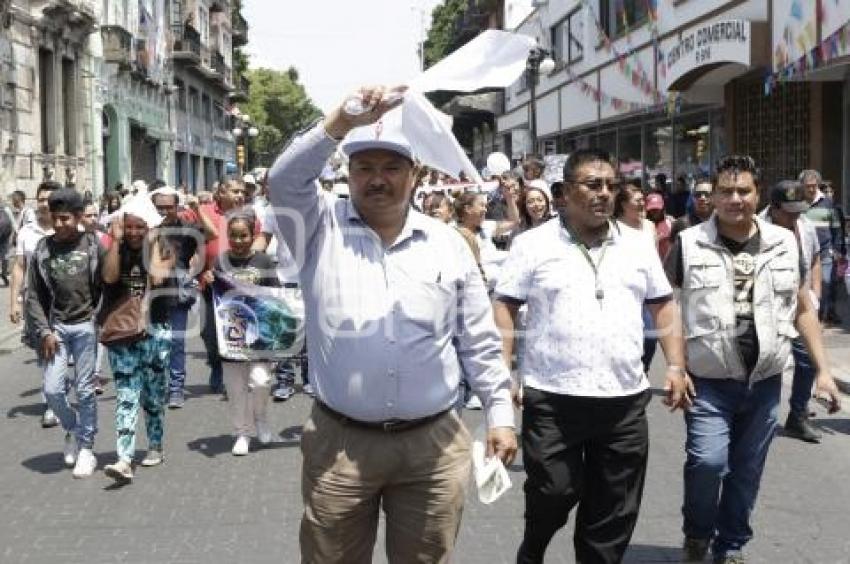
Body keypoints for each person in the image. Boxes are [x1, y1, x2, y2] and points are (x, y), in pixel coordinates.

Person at [267, 85, 516, 563]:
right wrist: (340, 121)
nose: (376, 179)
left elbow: (479, 342)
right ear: (348, 173)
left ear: (416, 175)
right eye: (364, 167)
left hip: (434, 447)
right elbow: (283, 180)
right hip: (339, 446)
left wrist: (500, 415)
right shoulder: (317, 227)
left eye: (391, 167)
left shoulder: (447, 243)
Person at [494, 148, 688, 564]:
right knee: (553, 491)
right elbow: (505, 306)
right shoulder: (532, 245)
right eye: (592, 185)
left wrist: (675, 364)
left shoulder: (638, 244)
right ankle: (533, 549)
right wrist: (503, 373)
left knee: (613, 510)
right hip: (553, 398)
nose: (604, 193)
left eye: (610, 185)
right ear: (563, 193)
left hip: (623, 401)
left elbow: (663, 304)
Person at [665, 155, 841, 563]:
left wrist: (825, 372)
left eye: (743, 190)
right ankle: (697, 533)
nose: (734, 199)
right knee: (708, 463)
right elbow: (667, 308)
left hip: (763, 384)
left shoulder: (784, 242)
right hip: (708, 382)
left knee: (746, 472)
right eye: (725, 191)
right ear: (712, 196)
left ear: (757, 194)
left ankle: (731, 545)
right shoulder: (689, 243)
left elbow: (802, 307)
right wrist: (675, 366)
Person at [26, 188, 104, 478]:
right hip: (55, 327)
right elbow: (33, 295)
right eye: (55, 219)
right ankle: (73, 429)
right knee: (52, 389)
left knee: (85, 390)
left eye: (66, 219)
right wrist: (43, 330)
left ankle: (87, 448)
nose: (59, 225)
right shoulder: (43, 249)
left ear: (79, 217)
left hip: (86, 326)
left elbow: (107, 283)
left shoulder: (94, 244)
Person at [101, 195, 174, 484]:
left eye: (139, 227)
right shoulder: (114, 248)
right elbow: (108, 278)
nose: (133, 232)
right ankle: (124, 458)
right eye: (128, 226)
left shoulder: (167, 249)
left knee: (153, 396)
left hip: (155, 329)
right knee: (126, 394)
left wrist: (154, 240)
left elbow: (157, 279)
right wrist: (116, 243)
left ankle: (155, 444)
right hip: (121, 331)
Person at [208, 211, 279, 454]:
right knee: (236, 389)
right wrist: (208, 282)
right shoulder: (220, 262)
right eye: (234, 236)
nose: (238, 241)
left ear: (253, 235)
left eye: (243, 236)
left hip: (259, 334)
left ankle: (260, 417)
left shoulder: (265, 262)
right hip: (230, 335)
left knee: (261, 381)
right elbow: (214, 299)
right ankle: (242, 433)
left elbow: (277, 298)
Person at [759, 180, 824, 443]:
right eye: (789, 211)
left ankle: (797, 415)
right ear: (774, 208)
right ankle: (755, 414)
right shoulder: (754, 228)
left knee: (808, 359)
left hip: (797, 305)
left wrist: (815, 293)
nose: (795, 216)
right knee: (765, 361)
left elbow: (816, 258)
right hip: (763, 307)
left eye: (799, 209)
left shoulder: (805, 227)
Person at [151, 186, 213, 408]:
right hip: (154, 291)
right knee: (158, 342)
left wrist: (197, 209)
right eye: (160, 207)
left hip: (178, 290)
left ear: (177, 206)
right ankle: (158, 385)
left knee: (176, 341)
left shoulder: (188, 228)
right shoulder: (151, 229)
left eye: (169, 207)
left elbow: (212, 234)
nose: (165, 211)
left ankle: (176, 388)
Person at [198, 179, 259, 396]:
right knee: (209, 334)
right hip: (211, 285)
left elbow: (259, 243)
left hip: (241, 285)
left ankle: (236, 376)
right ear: (221, 192)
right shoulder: (204, 211)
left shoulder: (250, 216)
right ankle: (215, 363)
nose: (240, 195)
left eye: (242, 192)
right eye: (235, 191)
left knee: (240, 332)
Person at [11, 181, 59, 427]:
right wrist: (14, 303)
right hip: (36, 302)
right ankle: (50, 403)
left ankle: (61, 391)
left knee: (63, 352)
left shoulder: (68, 228)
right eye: (40, 199)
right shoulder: (26, 232)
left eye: (48, 199)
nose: (43, 203)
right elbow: (19, 267)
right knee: (45, 353)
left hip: (66, 302)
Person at [614, 182, 660, 374]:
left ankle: (643, 368)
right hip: (621, 290)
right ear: (624, 204)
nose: (643, 203)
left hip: (647, 291)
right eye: (638, 200)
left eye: (643, 199)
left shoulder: (649, 227)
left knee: (650, 337)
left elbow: (655, 258)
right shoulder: (612, 228)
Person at [800, 169, 846, 325]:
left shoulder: (827, 203)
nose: (811, 189)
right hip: (803, 252)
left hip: (825, 251)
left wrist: (837, 249)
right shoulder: (798, 203)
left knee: (825, 283)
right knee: (805, 284)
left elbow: (836, 227)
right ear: (802, 186)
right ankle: (811, 315)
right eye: (808, 186)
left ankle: (821, 317)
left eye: (814, 185)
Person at [670, 177, 714, 243]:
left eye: (707, 194)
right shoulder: (681, 224)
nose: (702, 198)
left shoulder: (723, 225)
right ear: (693, 198)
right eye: (698, 195)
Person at [646, 192, 674, 259]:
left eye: (657, 209)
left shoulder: (670, 222)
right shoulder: (645, 225)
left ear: (662, 208)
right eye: (652, 209)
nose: (654, 212)